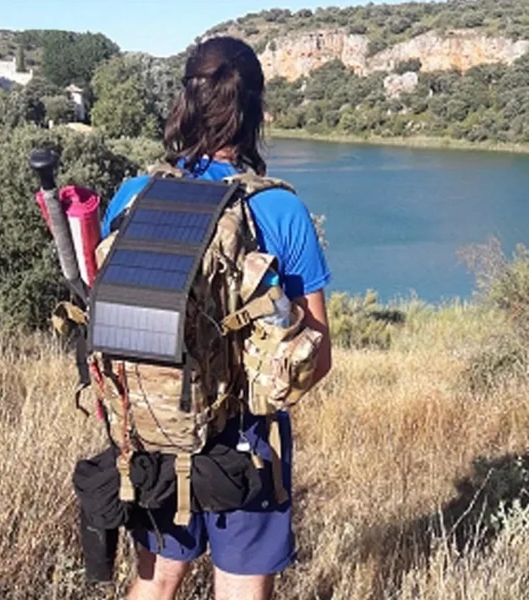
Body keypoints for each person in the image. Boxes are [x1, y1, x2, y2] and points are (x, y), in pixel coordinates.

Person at [102, 36, 332, 600]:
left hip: (153, 427)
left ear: (185, 101)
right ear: (254, 110)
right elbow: (317, 355)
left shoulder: (133, 195)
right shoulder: (279, 208)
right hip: (246, 441)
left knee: (155, 583)